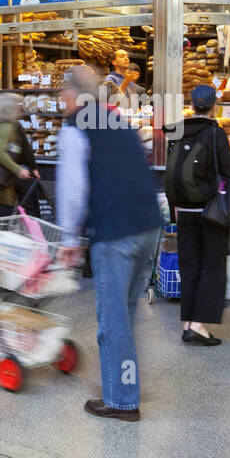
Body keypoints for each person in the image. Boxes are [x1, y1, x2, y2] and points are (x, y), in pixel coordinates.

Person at [56, 67, 160, 421]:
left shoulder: (75, 126)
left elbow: (72, 186)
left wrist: (70, 238)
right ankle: (126, 384)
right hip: (147, 225)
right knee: (127, 315)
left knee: (113, 319)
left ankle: (121, 399)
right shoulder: (116, 121)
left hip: (115, 232)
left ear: (70, 95)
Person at [165, 84, 230, 346]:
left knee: (190, 266)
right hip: (210, 211)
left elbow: (170, 173)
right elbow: (228, 172)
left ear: (192, 104)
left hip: (183, 210)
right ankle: (198, 325)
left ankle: (187, 321)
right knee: (212, 267)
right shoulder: (215, 134)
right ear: (214, 106)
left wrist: (175, 204)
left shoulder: (177, 130)